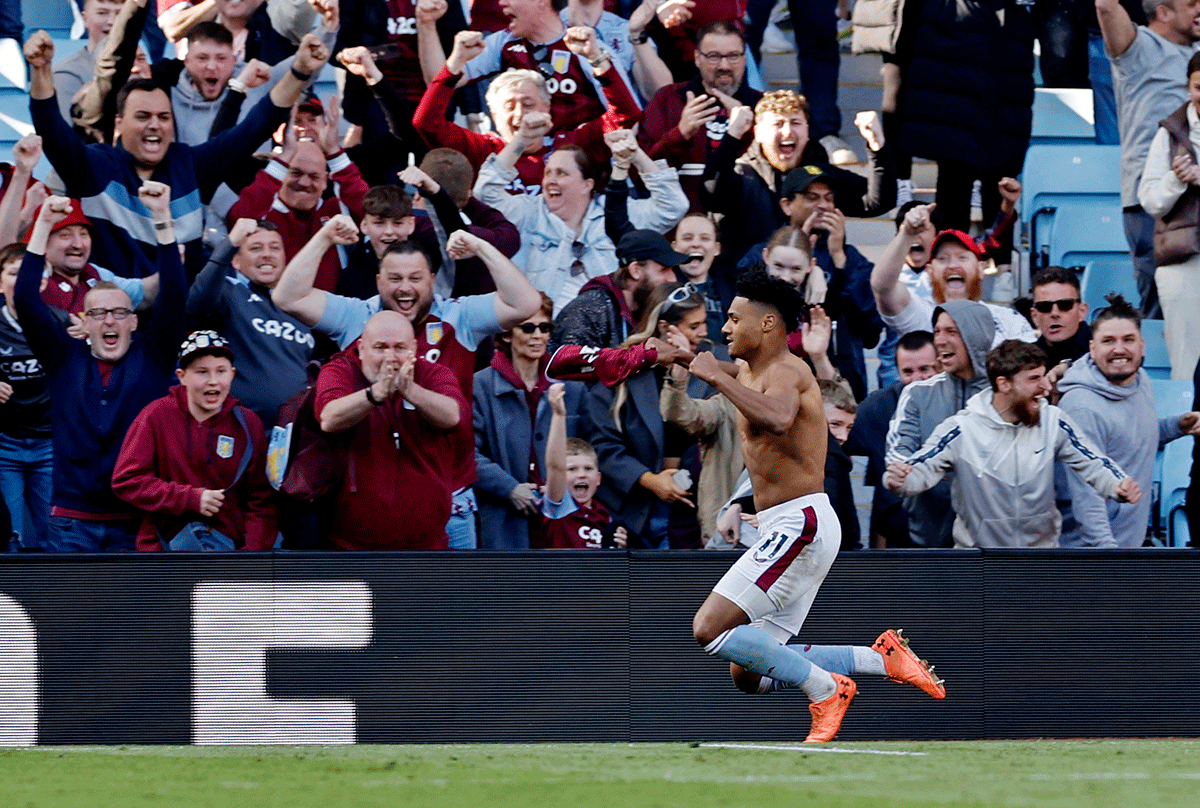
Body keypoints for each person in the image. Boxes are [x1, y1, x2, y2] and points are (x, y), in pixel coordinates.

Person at [690, 267, 945, 745]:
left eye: (732, 318)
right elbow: (707, 364)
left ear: (767, 325)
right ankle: (880, 660)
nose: (724, 328)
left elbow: (780, 418)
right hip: (789, 526)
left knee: (708, 627)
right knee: (749, 673)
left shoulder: (789, 370)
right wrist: (669, 355)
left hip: (800, 522)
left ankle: (825, 689)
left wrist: (711, 377)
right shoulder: (751, 368)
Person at [272, 217, 541, 548]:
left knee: (447, 598)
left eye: (415, 278)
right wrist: (324, 237)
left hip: (451, 496)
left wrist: (482, 248)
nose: (405, 288)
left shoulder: (460, 317)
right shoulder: (358, 317)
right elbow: (287, 297)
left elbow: (527, 304)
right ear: (378, 281)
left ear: (431, 280)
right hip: (364, 501)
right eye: (394, 278)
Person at [25, 28, 331, 276]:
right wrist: (41, 70)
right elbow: (52, 132)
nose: (155, 126)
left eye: (163, 117)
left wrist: (300, 70)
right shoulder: (95, 166)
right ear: (119, 124)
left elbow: (254, 127)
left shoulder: (190, 165)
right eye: (143, 117)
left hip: (181, 324)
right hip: (112, 316)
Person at [13, 186, 187, 552]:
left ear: (134, 322)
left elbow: (173, 293)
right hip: (71, 521)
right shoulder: (63, 357)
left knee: (131, 611)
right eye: (99, 313)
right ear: (85, 322)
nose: (110, 320)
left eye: (120, 312)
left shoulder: (153, 357)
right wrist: (43, 224)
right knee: (71, 610)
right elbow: (26, 298)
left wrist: (162, 218)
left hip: (136, 518)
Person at [886, 340, 1141, 548]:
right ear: (1003, 384)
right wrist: (899, 479)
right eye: (1033, 379)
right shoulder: (961, 429)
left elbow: (1093, 461)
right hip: (979, 563)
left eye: (1042, 376)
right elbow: (919, 468)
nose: (1044, 386)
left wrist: (1117, 484)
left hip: (1040, 562)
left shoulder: (1053, 420)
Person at [396, 27, 640, 194]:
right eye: (508, 107)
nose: (519, 114)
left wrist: (597, 58)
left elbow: (626, 116)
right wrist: (454, 65)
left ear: (548, 109)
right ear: (493, 115)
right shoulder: (483, 149)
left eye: (528, 103)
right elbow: (425, 123)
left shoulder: (572, 146)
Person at [475, 126, 687, 312]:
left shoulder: (615, 212)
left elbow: (673, 206)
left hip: (607, 335)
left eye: (561, 173)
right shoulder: (529, 211)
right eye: (547, 173)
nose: (550, 181)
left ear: (587, 184)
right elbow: (484, 194)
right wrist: (521, 140)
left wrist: (635, 154)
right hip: (542, 335)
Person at [314, 310, 467, 550]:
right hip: (350, 549)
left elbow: (453, 416)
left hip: (427, 548)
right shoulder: (339, 370)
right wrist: (375, 394)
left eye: (400, 348)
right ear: (361, 347)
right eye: (380, 347)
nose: (390, 358)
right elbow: (329, 418)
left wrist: (411, 391)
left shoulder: (434, 373)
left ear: (415, 348)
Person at [111, 330, 278, 551]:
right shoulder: (155, 416)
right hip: (162, 554)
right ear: (181, 376)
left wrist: (250, 558)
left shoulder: (248, 423)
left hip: (228, 557)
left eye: (221, 371)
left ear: (233, 373)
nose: (213, 381)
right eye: (202, 372)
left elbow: (261, 500)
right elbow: (126, 480)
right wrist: (190, 498)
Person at [1058, 295, 1200, 547]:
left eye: (1128, 340)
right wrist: (1112, 558)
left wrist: (1177, 426)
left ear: (1142, 346)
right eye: (1108, 341)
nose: (1119, 349)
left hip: (1126, 545)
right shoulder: (1081, 406)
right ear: (1092, 348)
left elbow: (1129, 437)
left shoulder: (1140, 379)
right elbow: (1086, 497)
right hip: (1091, 555)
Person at [700, 90, 895, 271]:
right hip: (747, 292)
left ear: (807, 130)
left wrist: (877, 146)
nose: (787, 131)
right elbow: (711, 193)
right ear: (758, 132)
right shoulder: (742, 174)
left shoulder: (822, 175)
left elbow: (877, 201)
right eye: (777, 123)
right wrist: (732, 136)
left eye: (795, 123)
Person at [891, 0, 1034, 233]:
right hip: (957, 100)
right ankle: (948, 260)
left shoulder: (1016, 16)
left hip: (1002, 95)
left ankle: (1002, 265)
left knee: (999, 180)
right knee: (955, 178)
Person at [1097, 0, 1200, 319]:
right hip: (1153, 199)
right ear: (1164, 12)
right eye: (1192, 4)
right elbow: (1105, 5)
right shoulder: (1137, 47)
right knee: (1162, 303)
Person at [472, 295, 585, 549]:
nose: (538, 335)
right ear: (507, 334)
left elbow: (589, 447)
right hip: (502, 520)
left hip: (563, 519)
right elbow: (467, 454)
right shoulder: (480, 386)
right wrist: (509, 488)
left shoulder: (572, 386)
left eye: (544, 328)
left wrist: (563, 487)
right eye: (527, 327)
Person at [885, 300, 995, 547]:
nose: (940, 341)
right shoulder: (917, 393)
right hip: (926, 537)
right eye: (937, 331)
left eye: (952, 332)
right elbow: (899, 450)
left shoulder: (1003, 393)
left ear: (976, 335)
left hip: (989, 544)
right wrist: (900, 470)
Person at [185, 218, 315, 427]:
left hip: (296, 435)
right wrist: (229, 244)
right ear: (236, 261)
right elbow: (196, 303)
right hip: (240, 432)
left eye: (275, 248)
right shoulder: (228, 291)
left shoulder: (301, 305)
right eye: (256, 248)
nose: (267, 254)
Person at [871, 202, 1035, 353]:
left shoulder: (1008, 320)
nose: (952, 265)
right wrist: (907, 232)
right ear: (930, 271)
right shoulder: (922, 316)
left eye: (962, 258)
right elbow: (882, 286)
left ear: (980, 269)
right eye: (943, 259)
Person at [638, 20, 764, 210]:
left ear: (745, 58)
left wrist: (747, 131)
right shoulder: (668, 98)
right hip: (682, 227)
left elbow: (776, 168)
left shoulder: (763, 105)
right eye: (714, 56)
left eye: (733, 56)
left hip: (746, 225)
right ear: (697, 58)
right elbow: (640, 173)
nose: (724, 65)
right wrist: (680, 133)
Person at [226, 132, 369, 293]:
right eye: (296, 173)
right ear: (281, 173)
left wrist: (335, 152)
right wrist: (281, 160)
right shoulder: (260, 211)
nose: (304, 182)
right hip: (267, 313)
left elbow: (376, 214)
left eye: (314, 176)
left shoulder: (338, 211)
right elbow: (237, 218)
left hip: (327, 314)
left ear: (325, 180)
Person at [1137, 50, 1200, 378]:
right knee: (1186, 360)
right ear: (1188, 87)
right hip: (1183, 259)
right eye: (1199, 86)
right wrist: (1176, 179)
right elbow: (1149, 201)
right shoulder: (1169, 134)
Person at [844, 330, 938, 548]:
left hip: (947, 530)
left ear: (940, 366)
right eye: (908, 372)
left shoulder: (959, 402)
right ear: (897, 372)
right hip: (895, 534)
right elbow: (836, 438)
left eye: (925, 370)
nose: (917, 379)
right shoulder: (878, 407)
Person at [552, 229, 686, 349]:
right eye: (664, 270)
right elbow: (569, 370)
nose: (672, 279)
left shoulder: (654, 311)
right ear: (635, 270)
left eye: (672, 270)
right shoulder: (589, 310)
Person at [0, 243, 52, 552]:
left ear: (43, 280)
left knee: (53, 536)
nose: (22, 281)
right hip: (5, 444)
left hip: (50, 444)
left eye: (29, 273)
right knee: (10, 536)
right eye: (13, 273)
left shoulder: (62, 323)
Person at [540, 387, 629, 550]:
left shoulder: (605, 516)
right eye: (572, 469)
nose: (581, 475)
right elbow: (555, 467)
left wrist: (619, 549)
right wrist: (559, 415)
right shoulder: (559, 506)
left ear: (599, 478)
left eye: (588, 469)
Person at [53, 0, 125, 121]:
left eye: (120, 14)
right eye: (102, 13)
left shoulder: (143, 67)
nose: (112, 22)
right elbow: (65, 134)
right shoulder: (66, 74)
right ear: (85, 19)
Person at [670, 213, 725, 343]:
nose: (695, 244)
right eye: (687, 238)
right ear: (674, 247)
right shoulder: (665, 288)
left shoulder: (730, 287)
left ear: (717, 248)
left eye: (704, 238)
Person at [1030, 265, 1092, 370]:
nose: (1054, 313)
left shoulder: (1103, 350)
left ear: (1082, 311)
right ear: (1034, 316)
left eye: (1065, 305)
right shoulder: (1025, 360)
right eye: (1045, 307)